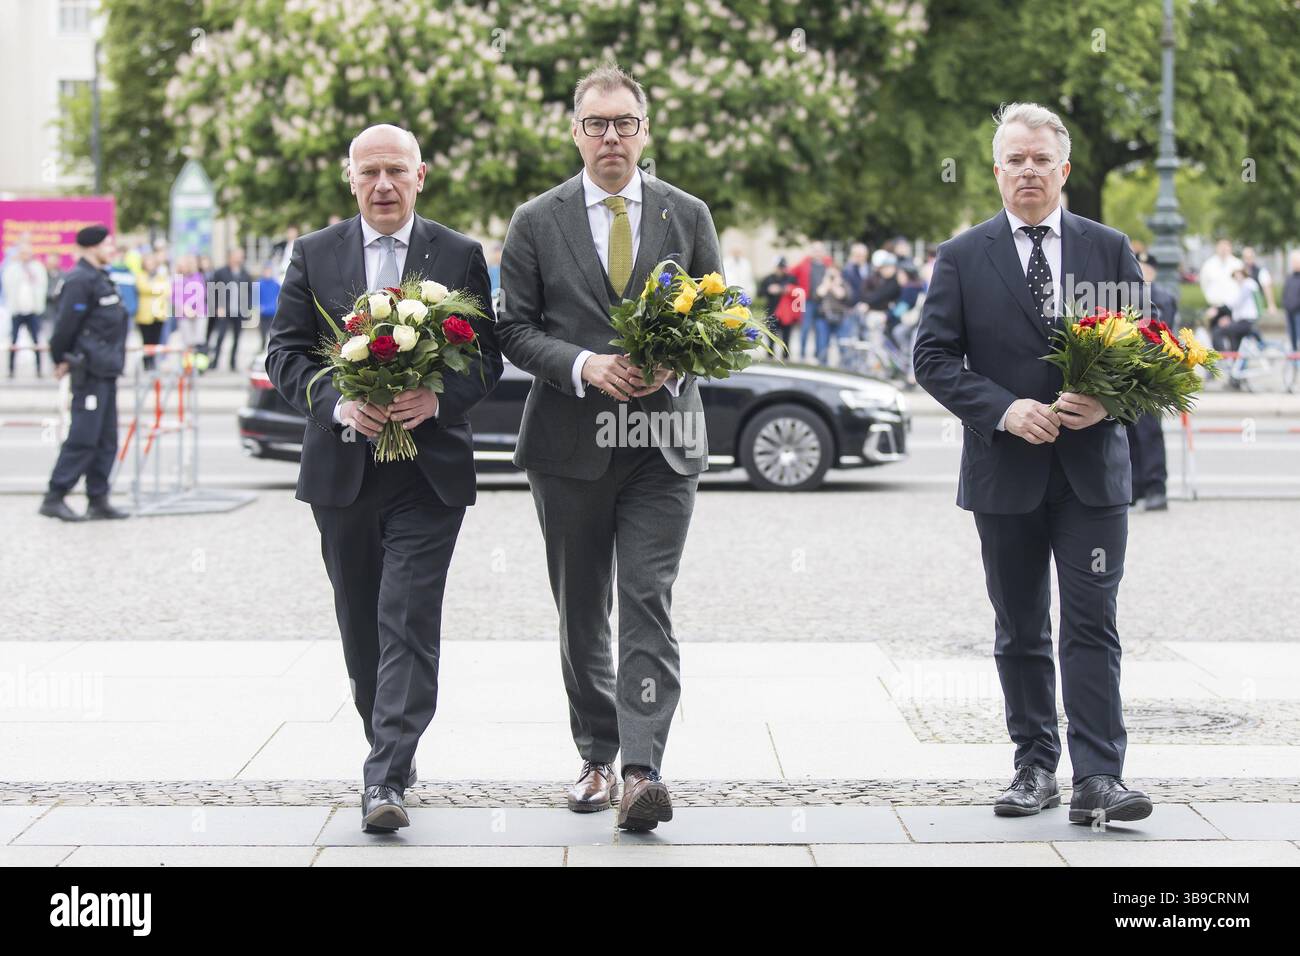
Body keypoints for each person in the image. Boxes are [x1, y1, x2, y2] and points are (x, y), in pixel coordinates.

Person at [913, 102, 1153, 825]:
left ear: (1063, 170)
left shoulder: (1107, 248)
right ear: (996, 171)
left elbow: (1150, 349)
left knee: (1091, 622)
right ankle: (1034, 766)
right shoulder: (962, 255)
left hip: (1091, 478)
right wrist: (1001, 408)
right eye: (1014, 159)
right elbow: (930, 357)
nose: (1027, 170)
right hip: (1003, 472)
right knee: (1019, 627)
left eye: (1039, 159)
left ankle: (1100, 780)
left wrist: (1110, 402)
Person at [497, 63, 721, 832]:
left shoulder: (687, 215)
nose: (611, 137)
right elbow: (513, 329)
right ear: (576, 132)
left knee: (647, 600)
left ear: (643, 131)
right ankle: (596, 754)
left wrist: (676, 357)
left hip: (663, 440)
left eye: (624, 123)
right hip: (569, 441)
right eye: (597, 123)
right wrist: (585, 365)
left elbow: (717, 315)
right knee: (582, 609)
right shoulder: (536, 220)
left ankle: (640, 768)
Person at [266, 123, 502, 834]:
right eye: (369, 172)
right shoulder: (314, 253)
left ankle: (385, 776)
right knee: (360, 623)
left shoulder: (459, 254)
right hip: (342, 471)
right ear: (351, 179)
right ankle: (389, 743)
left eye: (396, 170)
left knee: (407, 618)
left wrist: (438, 398)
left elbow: (487, 357)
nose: (383, 184)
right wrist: (338, 403)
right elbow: (284, 356)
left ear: (420, 175)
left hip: (428, 474)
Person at [39, 225, 131, 522]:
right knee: (83, 436)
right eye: (108, 244)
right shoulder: (79, 280)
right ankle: (55, 496)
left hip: (106, 369)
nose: (112, 248)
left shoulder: (101, 277)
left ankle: (98, 498)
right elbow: (65, 326)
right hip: (88, 370)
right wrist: (60, 358)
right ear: (92, 247)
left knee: (106, 439)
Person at [1127, 253, 1176, 512]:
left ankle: (1156, 488)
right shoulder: (1125, 293)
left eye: (1146, 267)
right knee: (1129, 432)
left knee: (1149, 432)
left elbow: (1162, 333)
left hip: (1152, 371)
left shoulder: (1162, 297)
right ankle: (1134, 488)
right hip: (1128, 371)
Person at [3, 244, 48, 377]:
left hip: (33, 310)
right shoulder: (12, 268)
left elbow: (41, 286)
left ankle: (39, 369)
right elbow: (8, 286)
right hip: (17, 310)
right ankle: (11, 370)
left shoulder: (37, 268)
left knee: (36, 341)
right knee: (13, 341)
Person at [209, 247, 253, 371]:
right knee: (220, 336)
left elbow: (250, 292)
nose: (241, 257)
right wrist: (217, 307)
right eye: (238, 255)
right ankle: (215, 361)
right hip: (224, 310)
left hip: (239, 310)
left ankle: (233, 363)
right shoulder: (220, 272)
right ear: (231, 257)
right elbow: (213, 290)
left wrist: (248, 308)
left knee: (237, 337)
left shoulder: (245, 273)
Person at [791, 241, 832, 362]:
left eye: (820, 250)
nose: (817, 253)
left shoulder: (828, 265)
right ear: (811, 252)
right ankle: (802, 355)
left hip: (823, 303)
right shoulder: (804, 264)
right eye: (815, 250)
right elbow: (791, 275)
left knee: (821, 329)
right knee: (805, 328)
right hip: (808, 301)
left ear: (823, 252)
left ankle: (819, 356)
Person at [133, 252, 170, 372]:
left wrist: (154, 288)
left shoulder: (161, 275)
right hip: (145, 314)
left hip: (158, 313)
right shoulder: (140, 275)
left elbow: (166, 290)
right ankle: (146, 362)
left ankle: (153, 362)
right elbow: (143, 288)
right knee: (146, 340)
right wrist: (157, 288)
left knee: (156, 340)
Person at [814, 261, 852, 365]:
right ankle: (822, 367)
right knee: (822, 346)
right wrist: (826, 284)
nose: (832, 276)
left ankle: (845, 368)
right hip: (824, 318)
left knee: (843, 346)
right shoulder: (822, 283)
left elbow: (843, 296)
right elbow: (818, 295)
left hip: (841, 318)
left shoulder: (844, 284)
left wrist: (835, 284)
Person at [759, 257, 797, 357]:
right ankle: (770, 355)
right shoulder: (768, 279)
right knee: (771, 337)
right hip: (772, 311)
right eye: (779, 267)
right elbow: (760, 293)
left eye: (782, 267)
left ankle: (786, 357)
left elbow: (796, 291)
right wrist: (769, 290)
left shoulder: (790, 278)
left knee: (786, 338)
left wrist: (782, 289)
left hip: (787, 313)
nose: (781, 270)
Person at [256, 260, 281, 351]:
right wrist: (258, 307)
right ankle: (262, 349)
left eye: (269, 270)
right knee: (262, 334)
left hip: (273, 313)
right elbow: (255, 298)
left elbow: (280, 297)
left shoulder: (276, 284)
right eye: (266, 270)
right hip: (263, 314)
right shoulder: (259, 283)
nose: (267, 272)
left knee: (272, 334)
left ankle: (272, 350)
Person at [1282, 250, 1300, 354]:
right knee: (1292, 337)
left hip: (1298, 311)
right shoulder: (1289, 277)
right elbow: (1285, 293)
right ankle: (1294, 362)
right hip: (1289, 311)